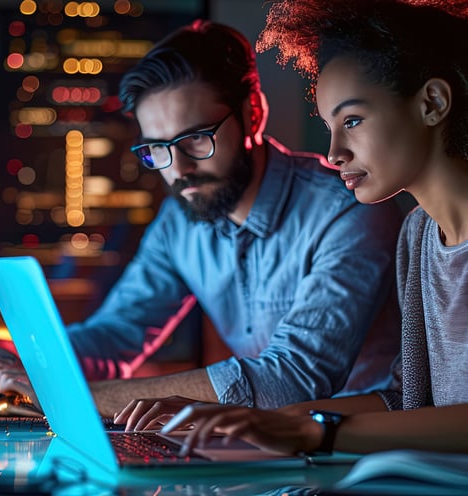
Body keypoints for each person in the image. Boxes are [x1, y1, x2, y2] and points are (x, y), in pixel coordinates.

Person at [0, 20, 402, 423]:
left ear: (252, 114)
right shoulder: (182, 219)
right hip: (268, 450)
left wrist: (67, 399)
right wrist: (3, 353)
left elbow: (290, 379)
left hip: (362, 459)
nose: (177, 169)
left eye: (196, 139)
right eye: (158, 149)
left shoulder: (346, 210)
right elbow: (120, 334)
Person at [154, 0, 468, 456]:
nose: (335, 151)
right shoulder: (419, 235)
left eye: (353, 120)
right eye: (329, 127)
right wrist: (257, 420)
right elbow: (407, 402)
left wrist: (316, 431)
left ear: (432, 103)